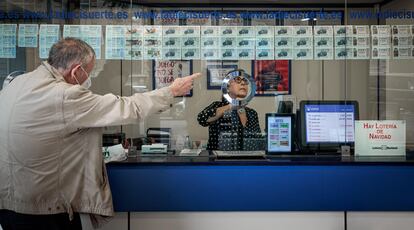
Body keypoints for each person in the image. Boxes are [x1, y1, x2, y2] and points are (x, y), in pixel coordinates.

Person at [0, 37, 201, 230]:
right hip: (46, 210)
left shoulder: (17, 84)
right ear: (77, 70)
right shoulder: (65, 95)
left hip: (9, 205)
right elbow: (128, 108)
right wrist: (171, 91)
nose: (90, 78)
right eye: (90, 72)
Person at [197, 75, 261, 150]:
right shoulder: (217, 106)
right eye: (238, 80)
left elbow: (258, 140)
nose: (243, 83)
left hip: (248, 160)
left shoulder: (252, 113)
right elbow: (202, 119)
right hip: (220, 160)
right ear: (227, 88)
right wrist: (231, 105)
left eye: (245, 81)